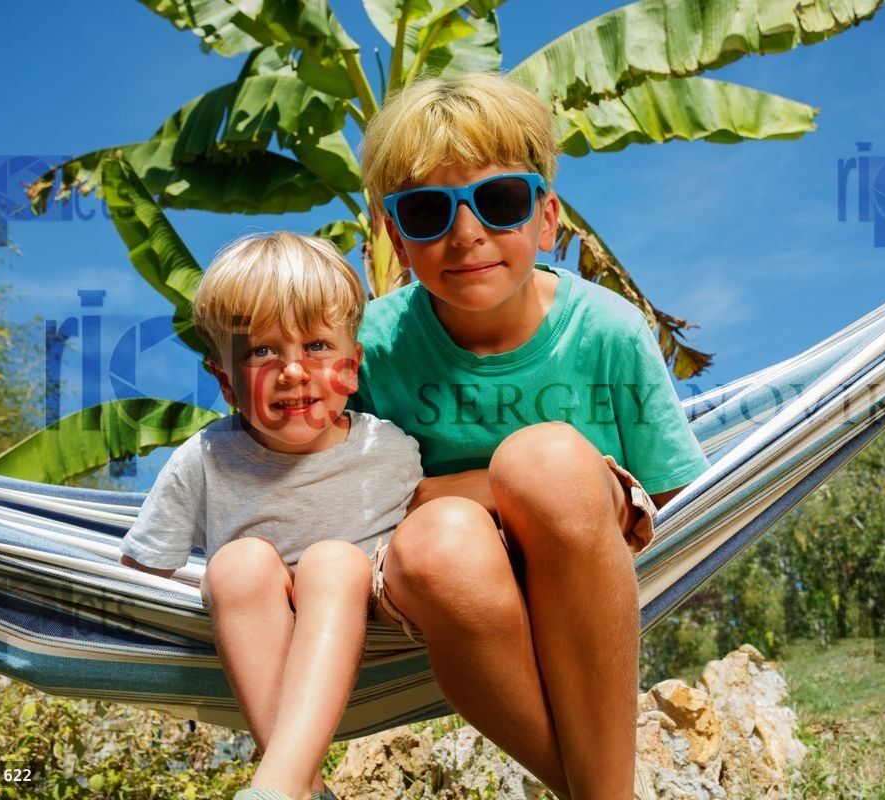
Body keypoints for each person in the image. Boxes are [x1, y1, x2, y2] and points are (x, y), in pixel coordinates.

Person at [354, 72, 713, 800]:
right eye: (426, 211)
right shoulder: (370, 351)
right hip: (453, 591)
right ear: (396, 237)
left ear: (547, 220)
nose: (466, 233)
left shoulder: (607, 329)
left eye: (500, 200)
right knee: (439, 540)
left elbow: (681, 501)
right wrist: (481, 495)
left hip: (591, 569)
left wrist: (519, 490)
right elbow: (346, 502)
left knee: (544, 460)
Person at [118, 231, 423, 800]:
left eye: (316, 346)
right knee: (237, 564)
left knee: (332, 563)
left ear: (352, 368)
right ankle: (298, 786)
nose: (292, 371)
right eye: (262, 351)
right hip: (256, 636)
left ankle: (281, 784)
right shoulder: (203, 460)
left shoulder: (392, 451)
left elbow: (430, 538)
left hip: (370, 632)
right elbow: (140, 578)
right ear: (226, 381)